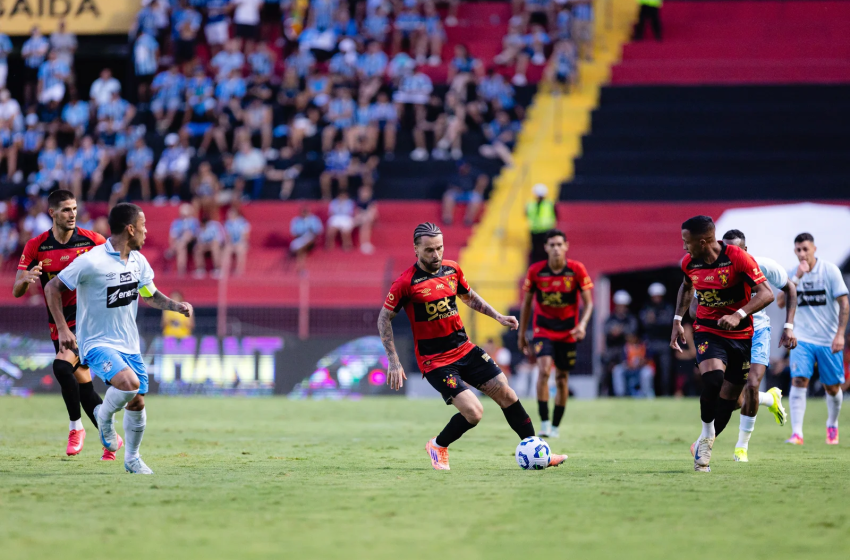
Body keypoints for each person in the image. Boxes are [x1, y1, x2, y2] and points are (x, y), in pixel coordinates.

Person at [378, 222, 568, 471]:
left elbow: (469, 297)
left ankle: (540, 453)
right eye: (429, 250)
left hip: (465, 349)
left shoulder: (452, 270)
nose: (436, 255)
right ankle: (437, 445)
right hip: (435, 361)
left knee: (508, 395)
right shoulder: (405, 283)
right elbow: (384, 318)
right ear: (416, 249)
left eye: (440, 248)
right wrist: (393, 359)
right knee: (474, 413)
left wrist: (498, 317)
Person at [45, 203, 193, 474]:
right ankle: (103, 416)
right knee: (129, 384)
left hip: (129, 344)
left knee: (136, 400)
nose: (146, 231)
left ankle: (132, 458)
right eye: (143, 225)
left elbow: (149, 294)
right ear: (130, 228)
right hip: (97, 342)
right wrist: (64, 329)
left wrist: (176, 306)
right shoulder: (92, 260)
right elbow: (52, 287)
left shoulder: (139, 260)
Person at [12, 190, 113, 459]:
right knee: (84, 388)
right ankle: (111, 440)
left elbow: (116, 267)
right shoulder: (36, 246)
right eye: (66, 210)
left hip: (88, 320)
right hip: (58, 321)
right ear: (52, 213)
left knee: (60, 366)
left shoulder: (93, 241)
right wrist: (26, 280)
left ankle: (75, 427)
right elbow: (16, 290)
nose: (72, 214)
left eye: (75, 208)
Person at [670, 215, 774, 473]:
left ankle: (714, 435)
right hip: (708, 329)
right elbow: (686, 288)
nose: (684, 247)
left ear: (704, 241)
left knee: (729, 398)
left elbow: (767, 293)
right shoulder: (689, 262)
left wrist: (739, 314)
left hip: (740, 335)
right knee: (713, 380)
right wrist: (677, 319)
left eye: (687, 242)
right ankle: (705, 439)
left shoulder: (737, 257)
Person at [714, 229, 795, 462]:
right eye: (726, 249)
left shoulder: (763, 265)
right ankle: (770, 399)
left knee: (751, 384)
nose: (730, 254)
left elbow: (789, 288)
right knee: (731, 397)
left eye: (736, 249)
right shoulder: (715, 272)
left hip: (758, 331)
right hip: (728, 335)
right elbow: (697, 299)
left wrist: (788, 326)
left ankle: (741, 447)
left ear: (745, 250)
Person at [518, 229, 593, 438]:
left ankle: (556, 427)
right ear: (546, 248)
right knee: (543, 371)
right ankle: (544, 423)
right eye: (552, 245)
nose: (556, 248)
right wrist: (521, 333)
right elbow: (526, 304)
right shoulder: (536, 271)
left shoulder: (577, 270)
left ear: (566, 246)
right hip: (544, 330)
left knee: (561, 377)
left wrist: (583, 325)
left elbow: (589, 304)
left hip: (569, 332)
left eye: (560, 244)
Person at [777, 232, 849, 445]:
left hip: (828, 339)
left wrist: (840, 334)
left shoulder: (830, 271)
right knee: (799, 380)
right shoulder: (793, 273)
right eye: (798, 250)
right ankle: (797, 433)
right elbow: (781, 302)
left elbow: (844, 303)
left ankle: (832, 425)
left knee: (832, 387)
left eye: (805, 249)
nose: (802, 253)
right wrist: (797, 277)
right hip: (802, 338)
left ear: (814, 249)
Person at [639, 282, 674, 395]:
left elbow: (669, 322)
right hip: (651, 344)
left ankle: (666, 394)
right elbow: (644, 322)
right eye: (654, 296)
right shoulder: (646, 308)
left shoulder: (668, 307)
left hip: (664, 344)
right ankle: (650, 394)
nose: (656, 298)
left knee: (665, 371)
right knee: (650, 371)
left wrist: (655, 320)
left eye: (658, 296)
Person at [612, 333, 654, 397]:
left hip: (641, 369)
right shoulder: (626, 347)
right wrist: (629, 365)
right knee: (617, 370)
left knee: (647, 372)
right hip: (629, 370)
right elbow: (623, 361)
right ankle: (620, 395)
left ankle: (646, 394)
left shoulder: (644, 345)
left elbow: (649, 359)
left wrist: (641, 362)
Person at [526, 183, 558, 264]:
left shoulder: (549, 204)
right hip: (535, 230)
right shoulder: (531, 205)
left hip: (545, 230)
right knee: (536, 251)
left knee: (546, 251)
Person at [169, 203, 200, 276]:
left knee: (187, 234)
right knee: (181, 248)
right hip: (180, 243)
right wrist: (172, 245)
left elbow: (195, 234)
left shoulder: (194, 221)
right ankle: (181, 270)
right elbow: (172, 235)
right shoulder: (176, 222)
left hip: (193, 242)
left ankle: (199, 269)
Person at [224, 207, 250, 277]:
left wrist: (239, 243)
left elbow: (245, 236)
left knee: (240, 249)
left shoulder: (242, 223)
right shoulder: (227, 223)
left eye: (230, 214)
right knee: (226, 249)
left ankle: (239, 269)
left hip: (241, 242)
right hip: (231, 243)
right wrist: (230, 243)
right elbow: (227, 236)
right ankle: (224, 269)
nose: (228, 215)